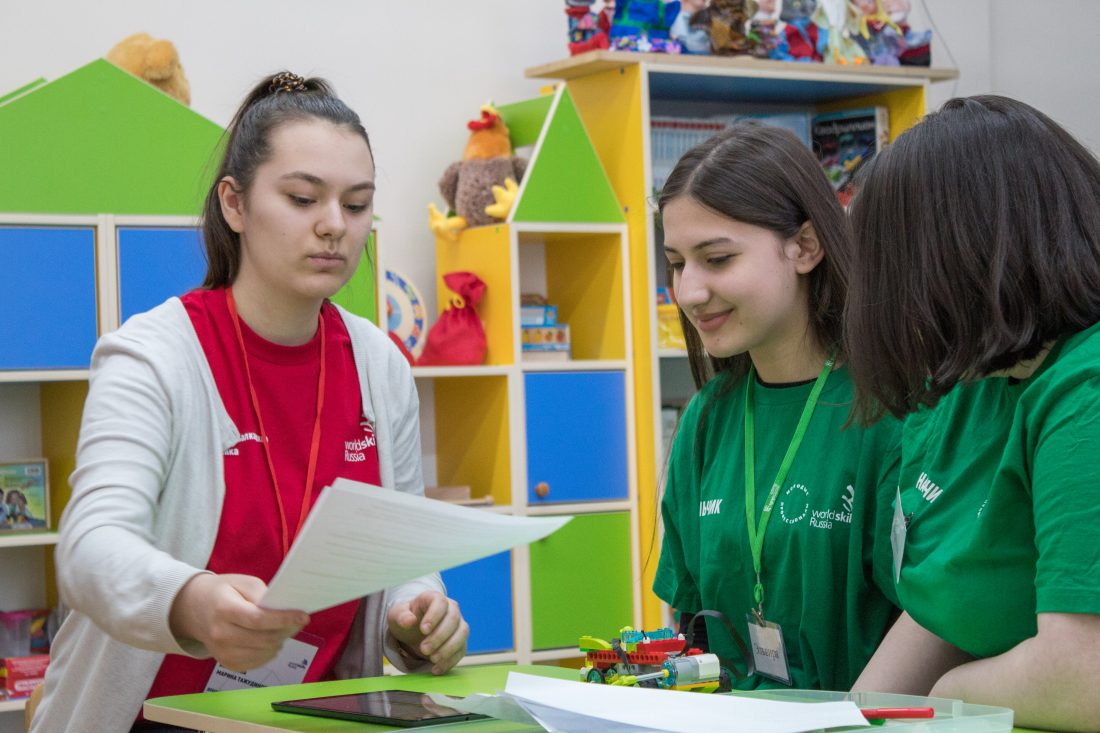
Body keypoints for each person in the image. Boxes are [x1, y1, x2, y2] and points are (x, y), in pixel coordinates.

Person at [33, 71, 469, 733]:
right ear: (234, 204)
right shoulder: (154, 355)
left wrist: (416, 613)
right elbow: (92, 549)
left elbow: (400, 553)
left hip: (309, 718)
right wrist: (192, 601)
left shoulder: (379, 364)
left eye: (357, 205)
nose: (334, 225)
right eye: (302, 198)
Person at [846, 95, 1100, 731]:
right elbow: (950, 603)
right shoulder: (981, 374)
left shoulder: (1085, 388)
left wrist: (945, 695)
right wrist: (857, 714)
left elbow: (1084, 677)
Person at [652, 122, 901, 691]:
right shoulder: (706, 419)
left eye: (717, 259)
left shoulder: (893, 410)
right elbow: (691, 625)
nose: (689, 292)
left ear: (805, 247)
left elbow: (937, 620)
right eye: (677, 264)